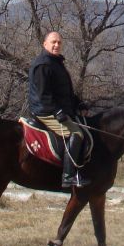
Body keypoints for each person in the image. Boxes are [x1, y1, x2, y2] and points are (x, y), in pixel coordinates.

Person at [27, 31, 91, 189]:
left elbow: (65, 92)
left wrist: (79, 104)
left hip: (58, 110)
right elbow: (43, 95)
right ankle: (68, 176)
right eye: (53, 42)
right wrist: (57, 111)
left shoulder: (56, 63)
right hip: (45, 111)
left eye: (59, 43)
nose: (56, 45)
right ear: (45, 44)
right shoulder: (43, 65)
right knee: (76, 134)